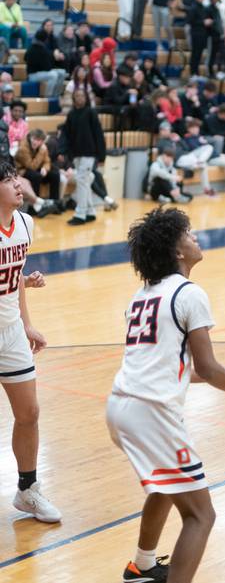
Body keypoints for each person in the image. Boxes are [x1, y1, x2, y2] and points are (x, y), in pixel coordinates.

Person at [107, 207, 225, 583]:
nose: (195, 237)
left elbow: (165, 365)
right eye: (188, 233)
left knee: (165, 484)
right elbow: (207, 368)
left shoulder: (142, 295)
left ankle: (142, 566)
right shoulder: (190, 293)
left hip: (120, 407)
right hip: (150, 414)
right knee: (201, 515)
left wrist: (220, 372)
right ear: (176, 252)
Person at [0, 159, 61, 523]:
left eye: (15, 178)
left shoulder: (25, 223)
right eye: (8, 180)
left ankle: (27, 490)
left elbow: (14, 275)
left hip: (10, 333)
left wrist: (26, 324)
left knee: (30, 413)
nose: (18, 184)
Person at [62, 88, 106, 225]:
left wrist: (101, 156)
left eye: (82, 95)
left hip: (89, 154)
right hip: (76, 154)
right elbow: (67, 135)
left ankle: (80, 214)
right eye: (77, 96)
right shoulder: (71, 115)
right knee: (85, 181)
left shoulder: (91, 113)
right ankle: (91, 212)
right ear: (74, 98)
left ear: (86, 98)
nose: (80, 98)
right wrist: (65, 152)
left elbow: (99, 134)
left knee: (81, 180)